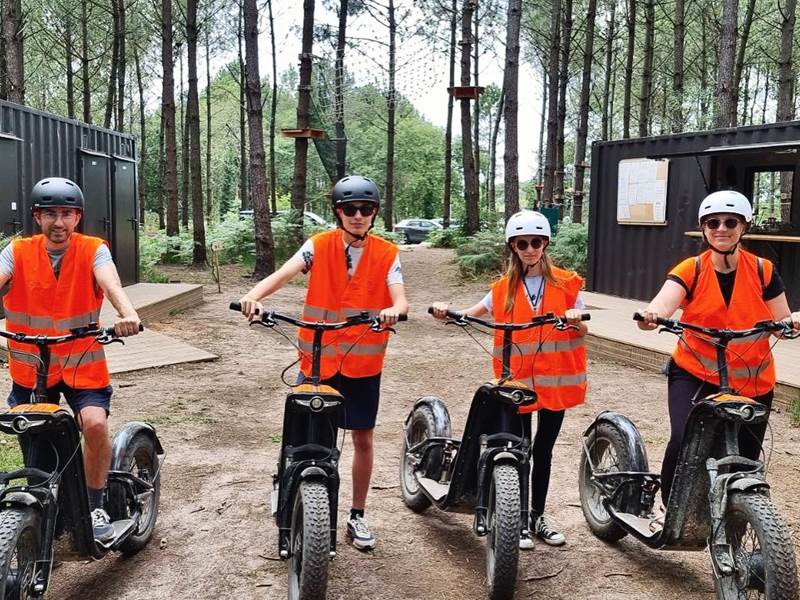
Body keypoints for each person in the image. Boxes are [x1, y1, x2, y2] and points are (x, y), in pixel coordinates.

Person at [237, 175, 409, 551]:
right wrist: (253, 297)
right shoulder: (318, 246)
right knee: (305, 434)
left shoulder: (386, 253)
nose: (358, 215)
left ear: (375, 213)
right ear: (339, 213)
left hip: (363, 363)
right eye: (350, 209)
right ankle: (292, 498)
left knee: (363, 437)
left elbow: (400, 300)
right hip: (318, 359)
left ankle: (357, 515)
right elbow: (283, 274)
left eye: (366, 209)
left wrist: (393, 312)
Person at [431, 210, 588, 549]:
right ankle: (515, 520)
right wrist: (448, 312)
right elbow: (470, 316)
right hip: (516, 384)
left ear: (545, 244)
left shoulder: (566, 282)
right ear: (513, 247)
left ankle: (538, 516)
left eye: (536, 242)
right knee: (517, 450)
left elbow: (584, 328)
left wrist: (575, 318)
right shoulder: (502, 288)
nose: (530, 249)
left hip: (555, 382)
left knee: (543, 450)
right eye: (522, 244)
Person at [637, 190, 800, 512]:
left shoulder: (763, 270)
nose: (721, 228)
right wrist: (651, 316)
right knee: (685, 438)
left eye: (730, 222)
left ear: (743, 227)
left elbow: (782, 319)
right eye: (713, 223)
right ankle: (669, 508)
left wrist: (793, 321)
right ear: (704, 228)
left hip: (754, 377)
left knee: (746, 455)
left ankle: (737, 516)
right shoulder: (691, 269)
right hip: (696, 371)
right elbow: (663, 303)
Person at [1, 177, 142, 543]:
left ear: (78, 217)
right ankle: (42, 508)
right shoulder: (16, 252)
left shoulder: (94, 249)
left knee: (94, 425)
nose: (58, 222)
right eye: (50, 214)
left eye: (66, 213)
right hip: (32, 370)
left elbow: (111, 284)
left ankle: (95, 504)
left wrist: (127, 313)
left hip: (82, 365)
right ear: (37, 217)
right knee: (34, 439)